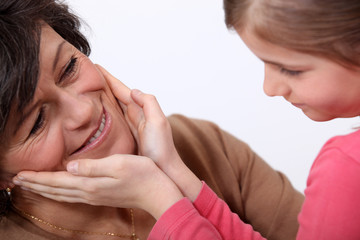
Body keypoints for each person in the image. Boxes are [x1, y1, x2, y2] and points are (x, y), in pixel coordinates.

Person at [14, 0, 360, 239]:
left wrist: (161, 196)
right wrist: (172, 173)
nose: (84, 112)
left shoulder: (203, 143)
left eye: (70, 68)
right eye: (36, 123)